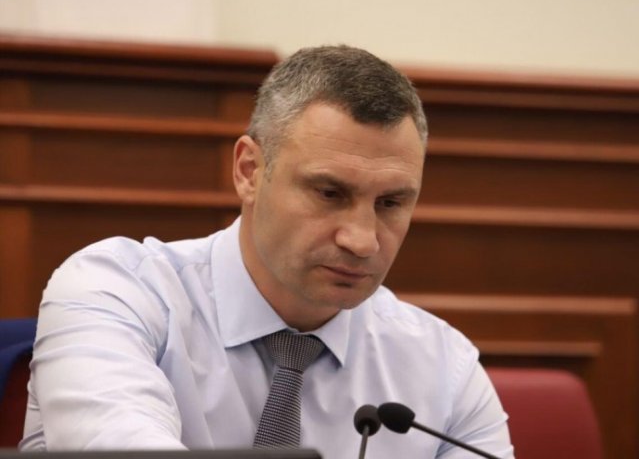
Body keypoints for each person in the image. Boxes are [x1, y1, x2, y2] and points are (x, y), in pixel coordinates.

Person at [20, 45, 514, 458]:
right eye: (329, 193)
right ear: (250, 172)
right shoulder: (115, 293)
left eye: (391, 203)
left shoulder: (444, 368)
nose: (362, 240)